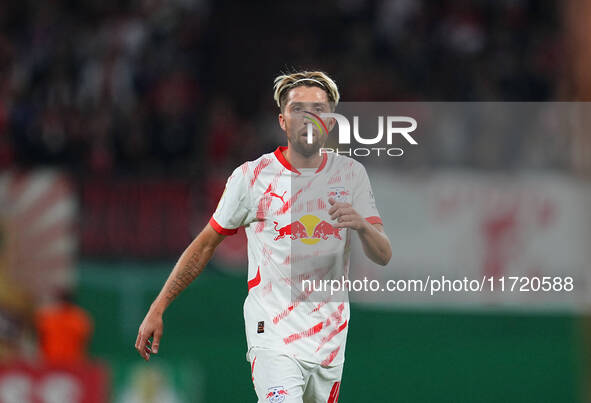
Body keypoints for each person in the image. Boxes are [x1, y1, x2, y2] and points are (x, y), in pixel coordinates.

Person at [135, 71, 392, 402]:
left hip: (330, 339)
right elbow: (204, 245)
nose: (310, 117)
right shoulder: (253, 177)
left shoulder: (351, 174)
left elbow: (382, 254)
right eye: (299, 109)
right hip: (272, 333)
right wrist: (159, 305)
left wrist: (361, 225)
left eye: (319, 109)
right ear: (282, 121)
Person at [36, 290, 93, 364]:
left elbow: (41, 337)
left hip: (56, 359)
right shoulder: (80, 319)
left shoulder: (50, 317)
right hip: (63, 359)